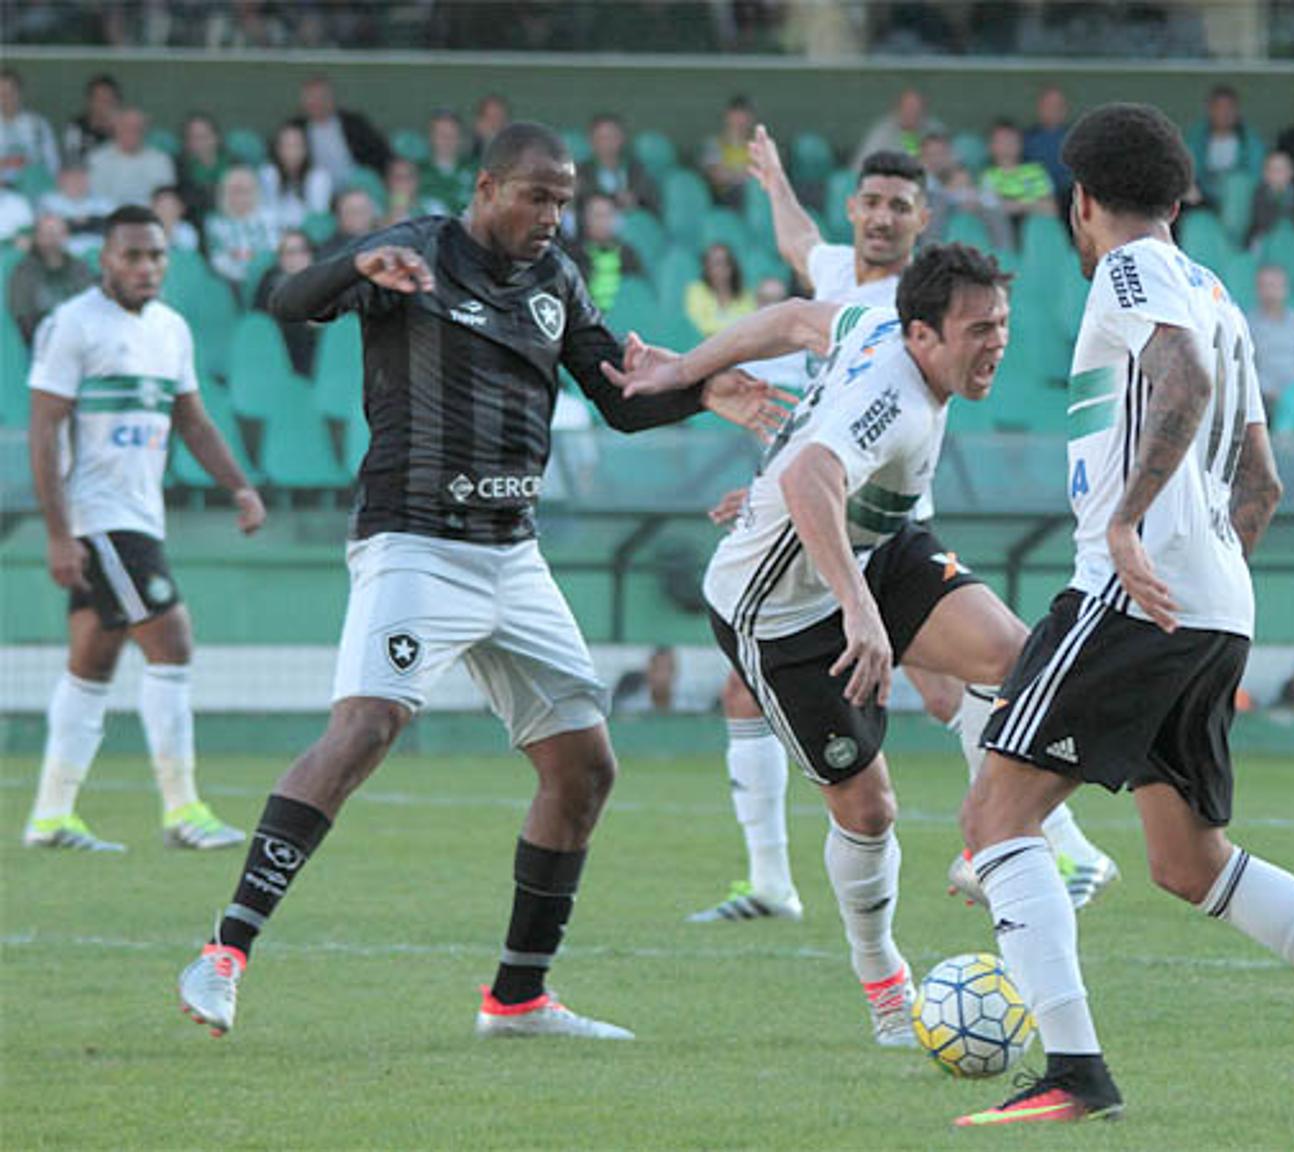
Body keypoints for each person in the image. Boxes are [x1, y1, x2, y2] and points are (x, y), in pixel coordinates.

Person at [173, 122, 787, 1040]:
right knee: (367, 726)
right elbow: (287, 298)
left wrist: (701, 393)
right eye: (538, 197)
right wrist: (355, 272)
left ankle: (518, 999)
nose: (552, 216)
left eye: (565, 201)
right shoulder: (413, 250)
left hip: (512, 553)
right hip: (414, 542)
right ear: (489, 186)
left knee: (584, 769)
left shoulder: (557, 279)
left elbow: (616, 401)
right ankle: (224, 950)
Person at [953, 105, 1294, 1128]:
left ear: (1082, 203)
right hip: (1216, 601)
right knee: (1190, 864)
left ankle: (1074, 1071)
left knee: (995, 820)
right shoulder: (1219, 292)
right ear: (1181, 199)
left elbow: (1180, 383)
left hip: (1135, 592)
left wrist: (1134, 530)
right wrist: (1205, 568)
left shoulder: (1128, 270)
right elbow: (1263, 480)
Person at [684, 127, 1115, 924]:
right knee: (748, 691)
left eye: (899, 208)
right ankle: (773, 880)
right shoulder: (840, 279)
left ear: (922, 222)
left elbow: (832, 431)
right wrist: (775, 178)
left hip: (880, 532)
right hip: (820, 522)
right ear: (853, 207)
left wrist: (771, 473)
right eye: (872, 203)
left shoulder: (909, 309)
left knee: (964, 688)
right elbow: (800, 250)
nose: (882, 219)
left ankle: (1051, 840)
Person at [627, 243, 1035, 1043]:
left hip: (875, 547)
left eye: (1004, 325)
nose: (997, 343)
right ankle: (884, 983)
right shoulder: (900, 398)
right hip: (774, 613)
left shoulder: (877, 323)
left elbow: (790, 320)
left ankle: (983, 838)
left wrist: (682, 372)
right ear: (923, 335)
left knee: (1019, 661)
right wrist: (859, 612)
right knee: (869, 809)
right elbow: (808, 474)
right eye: (978, 328)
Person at [25, 204, 264, 853]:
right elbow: (44, 428)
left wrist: (239, 486)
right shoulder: (72, 326)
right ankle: (184, 810)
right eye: (131, 255)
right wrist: (57, 531)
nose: (145, 266)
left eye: (156, 255)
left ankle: (50, 816)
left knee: (91, 663)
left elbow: (192, 420)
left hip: (139, 518)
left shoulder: (171, 330)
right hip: (97, 518)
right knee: (173, 642)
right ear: (104, 259)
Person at [8, 213, 92, 343]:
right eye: (47, 234)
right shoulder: (24, 271)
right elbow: (23, 316)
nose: (53, 239)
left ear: (66, 236)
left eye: (57, 233)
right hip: (41, 343)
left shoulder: (79, 267)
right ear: (37, 237)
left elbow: (89, 305)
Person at [294, 75, 391, 188]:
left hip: (357, 189)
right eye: (311, 97)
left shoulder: (354, 124)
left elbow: (380, 153)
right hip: (315, 192)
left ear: (332, 99)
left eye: (322, 97)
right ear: (303, 102)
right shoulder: (296, 129)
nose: (317, 102)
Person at [564, 192, 644, 312]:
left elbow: (638, 293)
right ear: (584, 219)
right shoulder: (572, 256)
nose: (604, 222)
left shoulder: (628, 254)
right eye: (598, 216)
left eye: (609, 215)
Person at [252, 229, 318, 375]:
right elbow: (261, 322)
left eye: (301, 251)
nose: (296, 258)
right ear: (280, 258)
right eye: (289, 252)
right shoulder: (269, 283)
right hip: (281, 349)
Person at [204, 167, 278, 296]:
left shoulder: (270, 218)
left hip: (267, 280)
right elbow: (218, 260)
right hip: (230, 283)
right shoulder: (215, 223)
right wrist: (245, 274)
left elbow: (273, 250)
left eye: (246, 191)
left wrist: (249, 263)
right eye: (235, 191)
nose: (240, 196)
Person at [1248, 264, 1294, 407]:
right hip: (1263, 398)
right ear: (1257, 290)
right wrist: (1269, 392)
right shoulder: (1247, 325)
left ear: (1286, 289)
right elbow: (1247, 370)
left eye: (1275, 286)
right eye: (1264, 286)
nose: (1270, 292)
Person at [979, 118, 1056, 240]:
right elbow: (991, 208)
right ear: (991, 146)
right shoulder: (988, 176)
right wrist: (1029, 204)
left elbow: (1050, 208)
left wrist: (1018, 206)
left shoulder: (1035, 171)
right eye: (1002, 140)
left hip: (1036, 232)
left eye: (1012, 139)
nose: (1008, 144)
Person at [1184, 84, 1261, 206]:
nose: (1224, 113)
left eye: (1230, 107)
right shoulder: (1196, 138)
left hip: (1240, 201)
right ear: (1209, 110)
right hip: (1203, 198)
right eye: (1219, 107)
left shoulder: (1250, 140)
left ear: (1237, 111)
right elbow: (1185, 168)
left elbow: (1256, 175)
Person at [86, 107, 175, 209]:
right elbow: (94, 198)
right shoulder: (97, 159)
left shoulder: (160, 160)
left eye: (137, 128)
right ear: (115, 129)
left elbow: (165, 199)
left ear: (145, 130)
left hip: (148, 219)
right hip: (107, 219)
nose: (131, 132)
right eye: (125, 127)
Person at [578, 113, 659, 217]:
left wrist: (636, 201)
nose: (608, 144)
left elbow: (652, 201)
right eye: (602, 138)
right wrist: (615, 200)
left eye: (613, 137)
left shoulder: (636, 169)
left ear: (622, 139)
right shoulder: (581, 172)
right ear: (591, 141)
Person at [1243, 149, 1294, 250]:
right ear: (1265, 174)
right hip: (1266, 239)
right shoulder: (1260, 193)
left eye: (1282, 169)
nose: (1277, 173)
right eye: (1272, 170)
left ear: (1292, 172)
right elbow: (1262, 221)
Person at [0, 69, 61, 188]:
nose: (6, 98)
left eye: (11, 92)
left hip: (33, 188)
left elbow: (53, 164)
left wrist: (28, 164)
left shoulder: (38, 125)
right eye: (1, 94)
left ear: (20, 93)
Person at [39, 161, 113, 256]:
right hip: (67, 257)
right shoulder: (48, 201)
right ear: (60, 179)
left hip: (102, 255)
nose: (77, 181)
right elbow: (49, 232)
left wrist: (74, 223)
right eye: (72, 177)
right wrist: (93, 221)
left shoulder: (104, 202)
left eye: (82, 176)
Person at [856, 87, 943, 164]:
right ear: (897, 110)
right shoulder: (882, 132)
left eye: (917, 110)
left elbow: (948, 162)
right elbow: (863, 163)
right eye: (908, 108)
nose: (912, 114)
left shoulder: (934, 129)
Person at [684, 241, 752, 337]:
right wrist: (732, 330)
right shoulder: (696, 291)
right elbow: (699, 326)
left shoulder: (744, 294)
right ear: (706, 268)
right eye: (715, 264)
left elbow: (748, 326)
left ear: (731, 267)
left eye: (725, 263)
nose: (720, 269)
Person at [700, 95, 755, 208]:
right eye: (736, 114)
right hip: (725, 197)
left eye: (744, 115)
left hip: (754, 195)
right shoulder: (715, 144)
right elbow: (717, 176)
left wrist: (734, 174)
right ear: (728, 116)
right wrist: (745, 175)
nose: (740, 120)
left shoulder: (757, 146)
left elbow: (766, 175)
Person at [417, 110, 474, 218]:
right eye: (441, 134)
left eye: (453, 134)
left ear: (461, 138)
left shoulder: (477, 171)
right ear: (430, 137)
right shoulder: (414, 173)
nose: (447, 139)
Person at [61, 74, 120, 164]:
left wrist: (115, 130)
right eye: (99, 99)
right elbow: (71, 160)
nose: (104, 104)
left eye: (109, 100)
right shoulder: (75, 127)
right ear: (90, 101)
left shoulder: (124, 128)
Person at [315, 187, 377, 261]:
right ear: (338, 216)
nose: (358, 215)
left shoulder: (385, 240)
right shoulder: (329, 251)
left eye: (363, 209)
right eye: (352, 211)